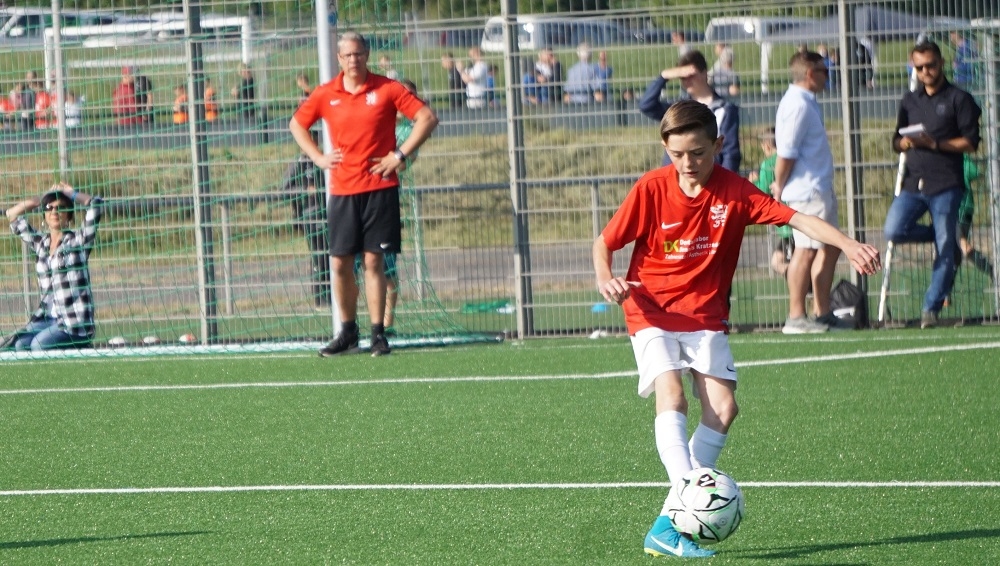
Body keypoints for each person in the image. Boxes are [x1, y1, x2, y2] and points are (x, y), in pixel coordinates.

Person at [592, 99, 881, 559]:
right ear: (666, 148)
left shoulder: (735, 192)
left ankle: (668, 524)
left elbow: (797, 218)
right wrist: (606, 277)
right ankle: (690, 497)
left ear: (718, 144)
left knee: (724, 409)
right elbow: (604, 243)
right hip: (650, 310)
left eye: (698, 153)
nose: (688, 163)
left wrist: (847, 244)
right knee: (673, 396)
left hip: (705, 315)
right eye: (677, 154)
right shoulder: (650, 188)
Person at [289, 31, 438, 357]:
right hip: (343, 191)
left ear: (366, 55)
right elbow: (297, 124)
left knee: (374, 261)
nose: (353, 60)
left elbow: (427, 118)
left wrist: (399, 155)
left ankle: (378, 333)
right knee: (340, 263)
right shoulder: (326, 93)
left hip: (380, 189)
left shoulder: (387, 88)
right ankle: (347, 332)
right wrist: (318, 158)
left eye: (358, 53)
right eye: (347, 55)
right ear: (339, 59)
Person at [886, 41, 981, 329]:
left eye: (930, 65)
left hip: (946, 184)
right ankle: (946, 239)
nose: (925, 71)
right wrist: (903, 142)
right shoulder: (910, 100)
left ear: (941, 63)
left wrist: (935, 144)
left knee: (944, 249)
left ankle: (931, 308)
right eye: (919, 67)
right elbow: (895, 140)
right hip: (913, 183)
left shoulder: (959, 99)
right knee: (894, 230)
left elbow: (970, 143)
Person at [771, 50, 847, 334]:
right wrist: (779, 185)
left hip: (817, 188)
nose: (828, 75)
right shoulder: (797, 104)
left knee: (829, 247)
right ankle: (796, 316)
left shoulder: (805, 101)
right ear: (810, 74)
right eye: (824, 70)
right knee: (805, 250)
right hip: (807, 191)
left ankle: (822, 312)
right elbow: (786, 152)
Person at [3, 183, 104, 351]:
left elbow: (96, 205)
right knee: (20, 345)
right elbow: (11, 214)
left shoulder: (78, 241)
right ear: (44, 215)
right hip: (47, 319)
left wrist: (71, 193)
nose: (54, 212)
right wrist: (41, 199)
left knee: (38, 345)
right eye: (49, 208)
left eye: (61, 208)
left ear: (69, 215)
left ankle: (82, 346)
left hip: (73, 322)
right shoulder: (40, 244)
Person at [639, 50, 741, 173]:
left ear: (704, 73)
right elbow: (646, 105)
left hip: (709, 177)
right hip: (676, 177)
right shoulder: (677, 109)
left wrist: (724, 181)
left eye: (691, 75)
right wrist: (664, 76)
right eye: (682, 77)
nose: (686, 80)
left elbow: (730, 152)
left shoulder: (724, 109)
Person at [282, 71, 330, 310]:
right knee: (319, 256)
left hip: (330, 214)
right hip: (310, 216)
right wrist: (305, 190)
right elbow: (285, 189)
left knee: (334, 257)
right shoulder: (299, 163)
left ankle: (334, 298)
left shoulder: (325, 160)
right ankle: (321, 299)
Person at [748, 127, 793, 276]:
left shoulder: (769, 164)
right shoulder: (790, 159)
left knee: (786, 263)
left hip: (789, 225)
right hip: (795, 219)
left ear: (766, 145)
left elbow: (762, 193)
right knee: (778, 261)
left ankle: (806, 287)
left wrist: (753, 182)